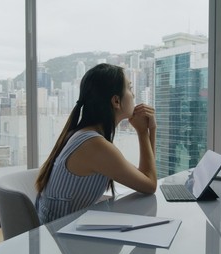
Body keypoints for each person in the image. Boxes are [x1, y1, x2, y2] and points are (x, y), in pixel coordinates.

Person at [35, 63, 157, 224]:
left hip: (64, 227)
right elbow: (149, 185)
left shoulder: (85, 134)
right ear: (116, 101)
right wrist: (145, 132)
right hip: (62, 236)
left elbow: (145, 177)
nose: (133, 95)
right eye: (130, 88)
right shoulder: (95, 145)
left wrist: (149, 130)